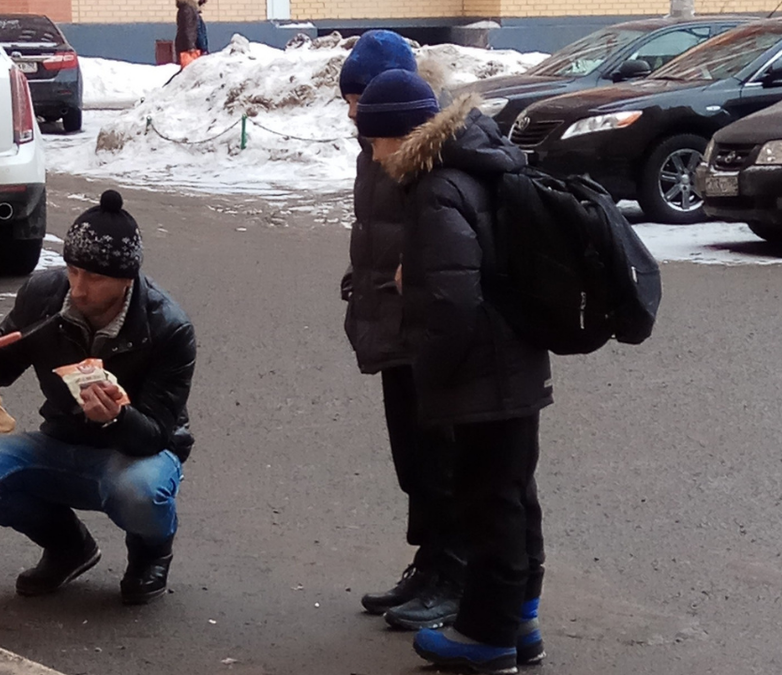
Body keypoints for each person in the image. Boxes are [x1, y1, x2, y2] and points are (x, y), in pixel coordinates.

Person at [355, 70, 552, 673]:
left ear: (400, 135)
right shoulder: (480, 161)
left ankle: (487, 637)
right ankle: (520, 621)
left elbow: (452, 299)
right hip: (516, 360)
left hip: (481, 371)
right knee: (514, 496)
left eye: (376, 140)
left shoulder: (436, 187)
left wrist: (431, 375)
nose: (373, 154)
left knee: (487, 503)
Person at [0, 190, 197, 606]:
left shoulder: (168, 326)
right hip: (62, 438)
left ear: (127, 279)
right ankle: (68, 546)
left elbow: (156, 433)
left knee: (140, 491)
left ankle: (150, 555)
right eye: (73, 270)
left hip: (137, 452)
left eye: (95, 278)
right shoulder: (45, 294)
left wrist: (116, 417)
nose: (79, 289)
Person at [337, 30, 462, 632]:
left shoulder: (427, 148)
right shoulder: (375, 147)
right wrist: (359, 280)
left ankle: (453, 575)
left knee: (442, 460)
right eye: (348, 101)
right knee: (412, 460)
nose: (352, 114)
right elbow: (376, 229)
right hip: (388, 323)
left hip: (423, 325)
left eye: (358, 99)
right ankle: (428, 564)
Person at [175, 0, 208, 69]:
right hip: (189, 49)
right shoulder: (188, 9)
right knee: (190, 70)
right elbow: (188, 29)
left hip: (190, 46)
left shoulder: (188, 9)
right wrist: (191, 46)